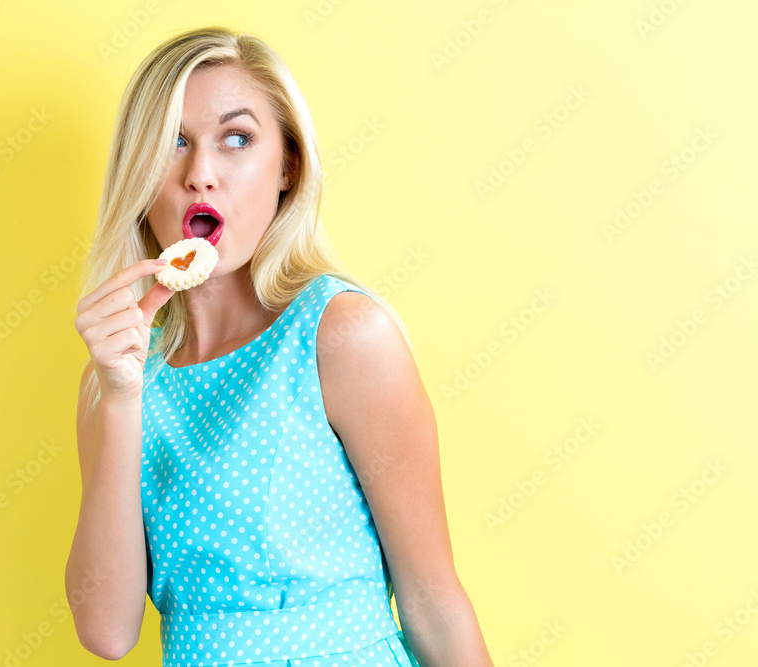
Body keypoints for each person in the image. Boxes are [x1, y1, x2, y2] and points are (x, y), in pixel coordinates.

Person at [65, 26, 495, 667]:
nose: (200, 175)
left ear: (287, 165)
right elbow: (107, 631)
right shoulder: (117, 380)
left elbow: (435, 604)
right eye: (172, 143)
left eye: (236, 139)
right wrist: (122, 398)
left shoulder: (343, 336)